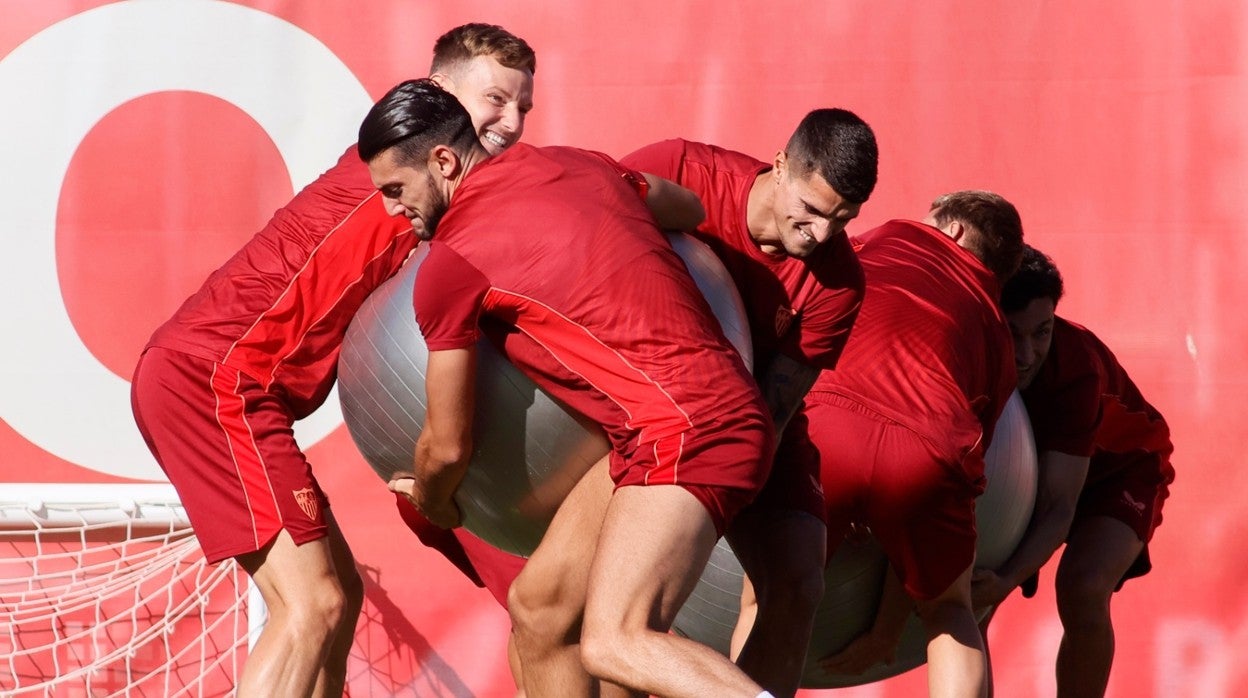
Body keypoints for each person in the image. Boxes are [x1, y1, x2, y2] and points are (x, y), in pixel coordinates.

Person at [130, 24, 536, 697]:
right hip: (214, 382)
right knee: (311, 606)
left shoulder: (442, 183)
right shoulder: (412, 170)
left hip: (231, 387)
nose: (513, 122)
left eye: (524, 107)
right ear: (433, 95)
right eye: (496, 99)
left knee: (336, 600)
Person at [360, 78, 776, 698]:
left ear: (443, 162)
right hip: (653, 435)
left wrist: (433, 502)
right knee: (540, 614)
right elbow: (687, 209)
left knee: (617, 642)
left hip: (687, 434)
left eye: (396, 189)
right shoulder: (578, 165)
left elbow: (447, 446)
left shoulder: (450, 265)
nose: (392, 209)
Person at [507, 113, 880, 698]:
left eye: (841, 221)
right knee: (560, 614)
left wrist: (691, 524)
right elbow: (576, 249)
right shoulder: (679, 172)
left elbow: (772, 415)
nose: (821, 234)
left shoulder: (839, 283)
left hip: (738, 425)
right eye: (810, 209)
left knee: (798, 584)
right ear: (780, 165)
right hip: (647, 409)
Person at [799, 191, 1024, 697]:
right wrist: (886, 630)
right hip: (930, 450)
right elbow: (952, 466)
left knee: (769, 597)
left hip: (829, 423)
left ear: (955, 231)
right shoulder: (996, 336)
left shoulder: (891, 238)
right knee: (949, 611)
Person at [971, 245, 1175, 698]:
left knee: (1082, 588)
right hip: (1032, 473)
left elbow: (1060, 504)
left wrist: (1007, 578)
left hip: (1120, 472)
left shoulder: (1075, 368)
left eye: (1041, 333)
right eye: (1012, 334)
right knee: (972, 598)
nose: (1026, 354)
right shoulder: (963, 350)